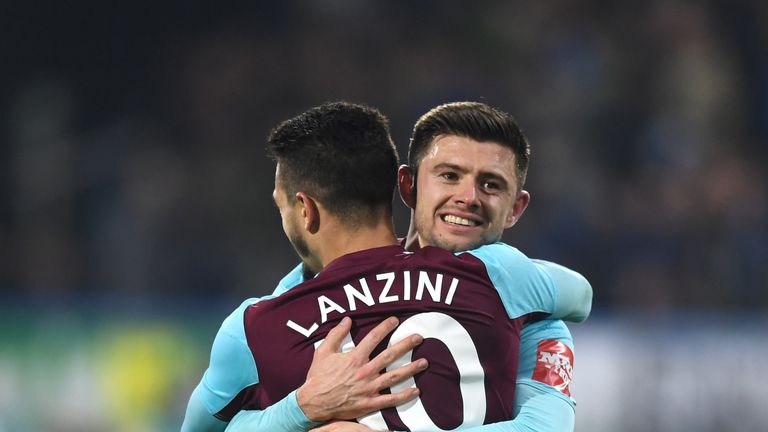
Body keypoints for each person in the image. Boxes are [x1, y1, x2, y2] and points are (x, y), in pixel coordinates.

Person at [182, 102, 591, 431]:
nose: (468, 197)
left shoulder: (258, 326)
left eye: (490, 184)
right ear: (407, 186)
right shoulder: (507, 279)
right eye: (449, 176)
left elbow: (545, 424)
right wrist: (301, 407)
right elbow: (580, 295)